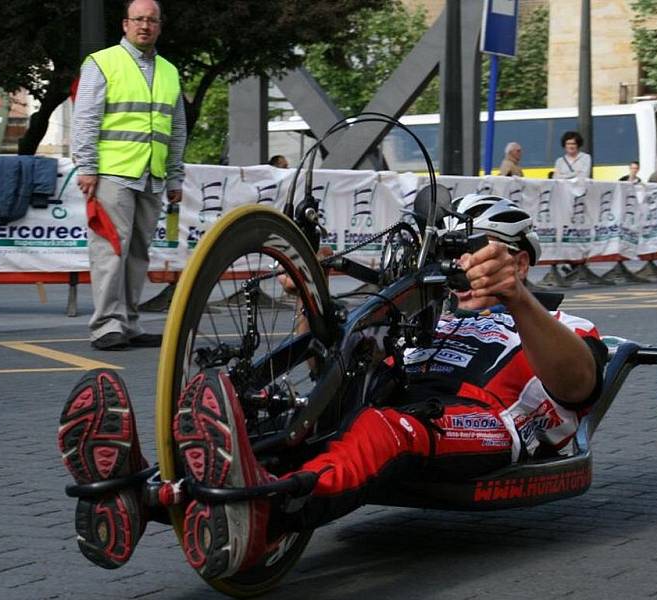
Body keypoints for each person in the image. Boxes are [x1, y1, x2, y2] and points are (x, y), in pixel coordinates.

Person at [57, 196, 607, 577]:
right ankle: (138, 493)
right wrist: (310, 305)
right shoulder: (431, 317)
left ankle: (266, 515)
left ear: (520, 258)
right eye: (451, 253)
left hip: (482, 424)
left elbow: (577, 386)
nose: (459, 265)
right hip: (391, 401)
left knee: (385, 428)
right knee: (290, 418)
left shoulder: (563, 327)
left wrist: (517, 297)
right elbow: (335, 370)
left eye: (476, 250)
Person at [72, 0, 186, 351]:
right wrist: (87, 166)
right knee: (110, 251)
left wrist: (175, 176)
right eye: (138, 20)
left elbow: (177, 126)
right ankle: (107, 325)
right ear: (125, 24)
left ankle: (129, 323)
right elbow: (86, 117)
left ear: (160, 26)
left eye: (152, 20)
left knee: (137, 254)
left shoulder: (169, 71)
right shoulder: (102, 63)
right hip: (113, 174)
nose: (145, 26)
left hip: (151, 176)